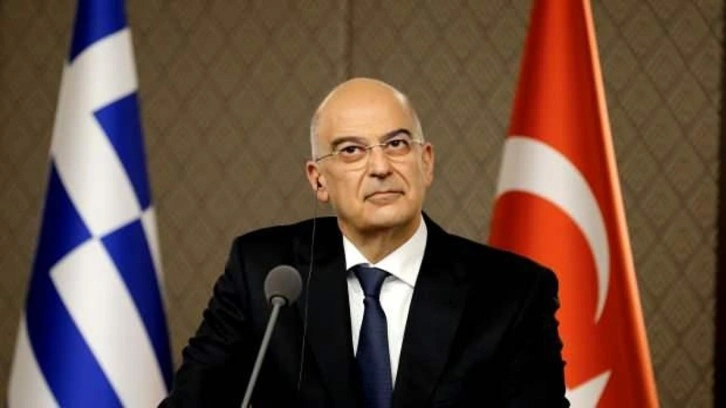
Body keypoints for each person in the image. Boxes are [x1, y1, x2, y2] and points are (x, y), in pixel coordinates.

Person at [161, 78, 568, 407]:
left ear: (426, 162)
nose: (380, 167)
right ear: (318, 180)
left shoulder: (511, 292)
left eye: (396, 144)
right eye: (351, 150)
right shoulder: (266, 274)